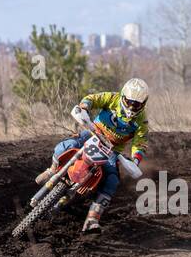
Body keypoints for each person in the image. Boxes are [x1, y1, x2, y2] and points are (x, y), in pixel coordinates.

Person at [36, 77, 149, 233]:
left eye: (136, 104)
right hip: (92, 133)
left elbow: (140, 144)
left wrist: (135, 161)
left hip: (111, 150)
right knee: (66, 146)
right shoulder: (112, 98)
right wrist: (84, 107)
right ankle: (52, 170)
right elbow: (92, 99)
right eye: (129, 101)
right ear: (123, 97)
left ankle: (92, 219)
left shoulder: (141, 122)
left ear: (143, 104)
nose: (131, 106)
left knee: (112, 180)